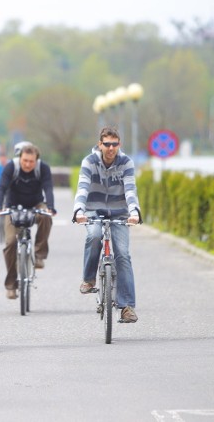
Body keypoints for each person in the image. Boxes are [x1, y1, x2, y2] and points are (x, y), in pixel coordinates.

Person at [73, 126, 142, 323]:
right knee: (94, 235)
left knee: (123, 254)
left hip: (120, 212)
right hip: (93, 210)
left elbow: (130, 189)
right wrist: (78, 210)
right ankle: (88, 279)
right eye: (106, 144)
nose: (110, 148)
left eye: (114, 144)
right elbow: (83, 186)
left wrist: (135, 212)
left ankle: (127, 307)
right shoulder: (89, 162)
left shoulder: (126, 162)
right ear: (99, 144)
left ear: (119, 144)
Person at [0, 143, 56, 299]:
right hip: (12, 207)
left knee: (46, 217)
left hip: (35, 204)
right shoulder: (11, 167)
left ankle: (39, 254)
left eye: (31, 161)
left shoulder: (43, 168)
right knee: (10, 243)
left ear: (36, 160)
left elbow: (48, 187)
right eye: (25, 160)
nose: (28, 164)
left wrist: (51, 207)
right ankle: (11, 284)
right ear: (20, 158)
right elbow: (1, 187)